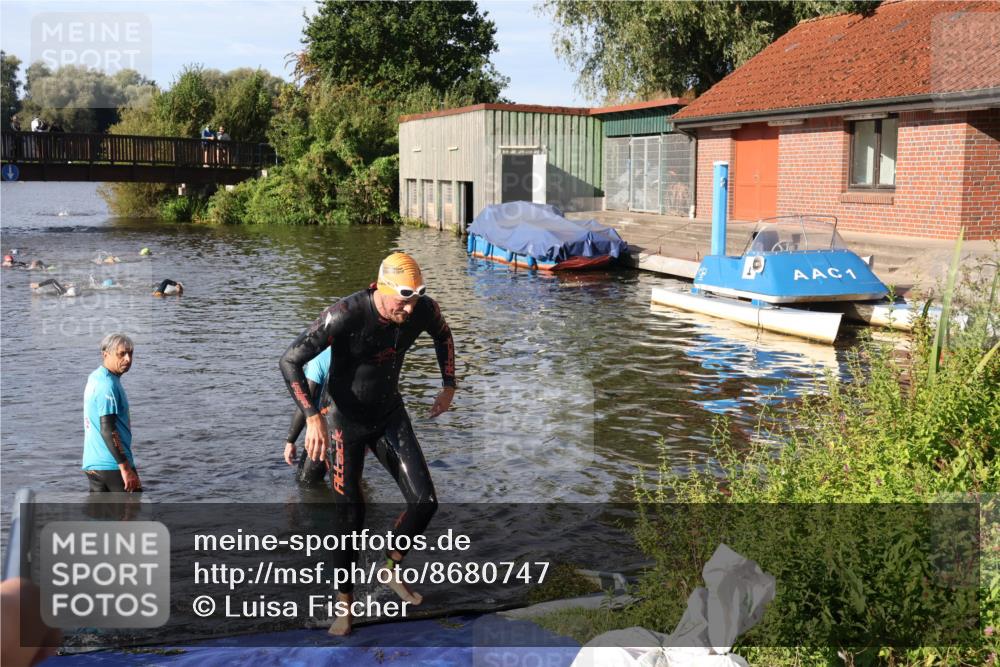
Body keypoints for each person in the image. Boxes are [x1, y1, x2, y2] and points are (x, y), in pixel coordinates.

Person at [279, 252, 456, 635]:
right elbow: (290, 360)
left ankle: (390, 568)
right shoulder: (345, 313)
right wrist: (312, 417)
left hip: (389, 414)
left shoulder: (423, 310)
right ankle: (344, 606)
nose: (408, 310)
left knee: (425, 501)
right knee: (350, 518)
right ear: (381, 287)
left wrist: (448, 385)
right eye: (401, 301)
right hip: (344, 421)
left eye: (414, 301)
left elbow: (444, 335)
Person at [83, 333, 141, 493]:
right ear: (105, 354)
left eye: (130, 353)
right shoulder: (107, 386)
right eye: (121, 354)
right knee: (136, 514)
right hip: (112, 466)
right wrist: (125, 468)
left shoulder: (95, 377)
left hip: (93, 465)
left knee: (103, 516)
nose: (128, 359)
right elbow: (108, 430)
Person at [284, 347, 332, 485]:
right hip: (354, 427)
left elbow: (305, 402)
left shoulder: (320, 358)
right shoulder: (358, 351)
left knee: (307, 483)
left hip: (325, 430)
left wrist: (290, 441)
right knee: (349, 480)